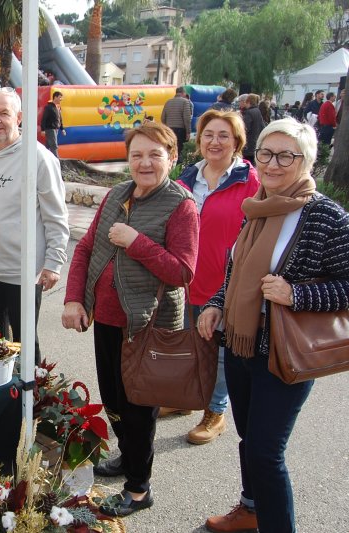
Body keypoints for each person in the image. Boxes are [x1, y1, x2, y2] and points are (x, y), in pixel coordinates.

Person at [198, 118, 349, 533]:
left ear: (308, 162)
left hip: (284, 353)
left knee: (266, 452)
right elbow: (234, 276)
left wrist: (297, 295)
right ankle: (250, 509)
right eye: (266, 153)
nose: (274, 163)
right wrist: (215, 305)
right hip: (241, 346)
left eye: (287, 155)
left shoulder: (326, 217)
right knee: (250, 441)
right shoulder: (258, 207)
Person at [62, 120, 198, 517]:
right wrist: (74, 299)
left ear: (172, 158)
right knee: (116, 400)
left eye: (154, 155)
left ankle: (139, 489)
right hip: (106, 318)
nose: (144, 163)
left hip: (148, 325)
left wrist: (136, 243)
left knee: (139, 410)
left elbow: (183, 272)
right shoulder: (117, 194)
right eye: (136, 154)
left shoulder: (181, 205)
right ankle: (128, 458)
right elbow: (86, 248)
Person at [164, 110, 259, 444]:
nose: (214, 142)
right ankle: (186, 399)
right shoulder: (187, 178)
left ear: (237, 142)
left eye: (223, 135)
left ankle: (215, 411)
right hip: (187, 280)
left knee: (218, 351)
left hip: (227, 283)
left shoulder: (251, 181)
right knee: (190, 345)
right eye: (208, 134)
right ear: (199, 140)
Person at [0, 88, 69, 361]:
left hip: (23, 274)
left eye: (4, 113)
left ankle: (32, 399)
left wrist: (54, 263)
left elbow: (55, 216)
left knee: (25, 347)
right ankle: (3, 400)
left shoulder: (39, 157)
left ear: (19, 117)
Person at [161, 87, 193, 155]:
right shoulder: (185, 102)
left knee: (170, 149)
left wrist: (166, 128)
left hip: (169, 129)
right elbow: (187, 118)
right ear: (183, 93)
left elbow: (163, 117)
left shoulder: (168, 102)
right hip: (180, 130)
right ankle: (178, 164)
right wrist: (188, 132)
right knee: (180, 150)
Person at [239, 94, 265, 165]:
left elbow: (245, 128)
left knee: (245, 165)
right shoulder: (257, 111)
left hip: (247, 145)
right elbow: (262, 126)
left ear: (247, 102)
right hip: (255, 143)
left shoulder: (248, 113)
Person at [40, 91, 65, 158]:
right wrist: (43, 129)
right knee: (54, 145)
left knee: (47, 145)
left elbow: (60, 118)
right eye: (60, 97)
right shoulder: (49, 107)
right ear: (55, 97)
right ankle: (57, 160)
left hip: (55, 129)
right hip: (50, 129)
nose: (61, 99)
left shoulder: (58, 107)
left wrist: (62, 129)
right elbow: (44, 119)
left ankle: (42, 157)